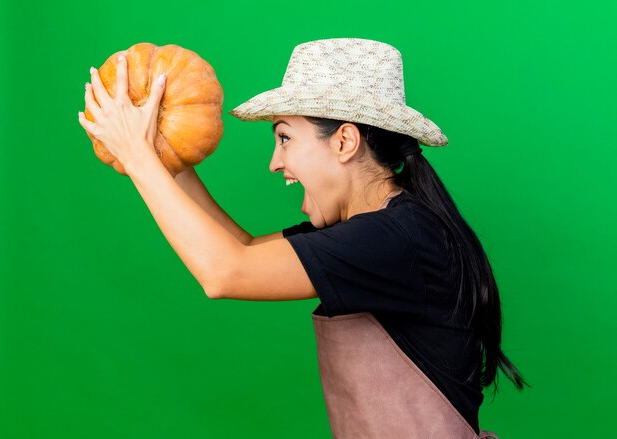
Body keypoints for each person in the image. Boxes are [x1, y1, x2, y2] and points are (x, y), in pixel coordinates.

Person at [79, 37, 527, 438]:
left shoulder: (393, 238)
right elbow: (246, 249)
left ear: (344, 142)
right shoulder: (380, 227)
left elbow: (225, 272)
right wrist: (166, 152)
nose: (276, 162)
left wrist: (137, 157)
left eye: (285, 138)